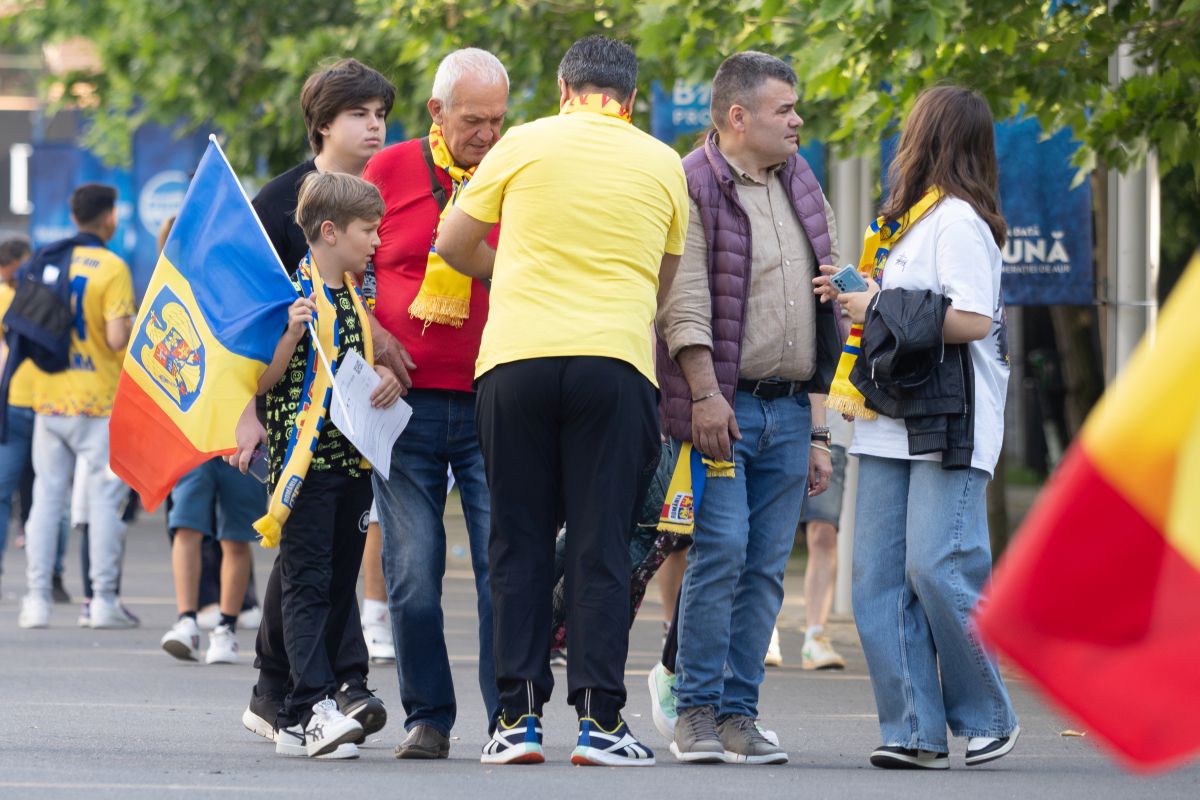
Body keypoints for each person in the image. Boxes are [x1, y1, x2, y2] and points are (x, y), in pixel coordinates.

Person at [437, 34, 687, 767]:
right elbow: (661, 285)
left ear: (561, 88)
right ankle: (601, 722)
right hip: (614, 364)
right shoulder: (662, 162)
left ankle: (513, 720)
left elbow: (453, 243)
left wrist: (509, 270)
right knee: (600, 545)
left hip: (515, 360)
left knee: (515, 539)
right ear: (631, 99)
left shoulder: (519, 144)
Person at [812, 84, 1019, 769]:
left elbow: (972, 319)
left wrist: (877, 303)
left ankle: (988, 714)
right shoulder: (908, 224)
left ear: (928, 138)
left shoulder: (958, 221)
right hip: (888, 422)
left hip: (947, 423)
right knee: (876, 579)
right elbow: (902, 315)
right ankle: (913, 730)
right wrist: (860, 297)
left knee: (938, 567)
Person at [655, 51, 841, 765]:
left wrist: (821, 430)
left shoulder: (799, 175)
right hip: (723, 409)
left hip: (792, 410)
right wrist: (704, 395)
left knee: (767, 566)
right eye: (783, 109)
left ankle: (741, 715)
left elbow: (827, 304)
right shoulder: (691, 180)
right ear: (738, 117)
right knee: (722, 552)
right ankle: (695, 711)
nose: (797, 120)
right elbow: (685, 300)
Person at [240, 57, 401, 742]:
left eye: (381, 115)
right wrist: (245, 410)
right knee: (309, 558)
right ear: (323, 122)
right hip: (296, 412)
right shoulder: (282, 204)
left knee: (323, 556)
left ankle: (282, 691)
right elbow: (244, 315)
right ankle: (318, 693)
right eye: (360, 114)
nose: (375, 126)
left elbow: (367, 299)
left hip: (358, 419)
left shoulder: (379, 189)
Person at [360, 47, 508, 760]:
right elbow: (346, 273)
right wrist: (377, 335)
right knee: (413, 572)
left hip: (493, 400)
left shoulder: (515, 172)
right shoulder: (386, 171)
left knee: (500, 566)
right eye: (473, 121)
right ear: (435, 114)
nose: (487, 135)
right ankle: (429, 716)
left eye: (498, 121)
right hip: (405, 404)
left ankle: (511, 718)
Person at [16, 183, 136, 630]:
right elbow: (116, 339)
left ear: (73, 215)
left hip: (50, 399)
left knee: (46, 500)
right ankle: (102, 600)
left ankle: (36, 600)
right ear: (108, 218)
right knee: (105, 501)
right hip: (100, 403)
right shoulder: (112, 267)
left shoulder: (48, 258)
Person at [158, 213, 265, 665]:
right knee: (187, 525)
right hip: (191, 429)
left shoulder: (242, 295)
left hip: (236, 430)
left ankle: (225, 624)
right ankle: (186, 618)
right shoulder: (169, 295)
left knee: (235, 534)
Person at [764, 410, 851, 670]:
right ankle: (764, 630)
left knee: (824, 531)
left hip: (832, 432)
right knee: (771, 530)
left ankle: (815, 635)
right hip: (784, 423)